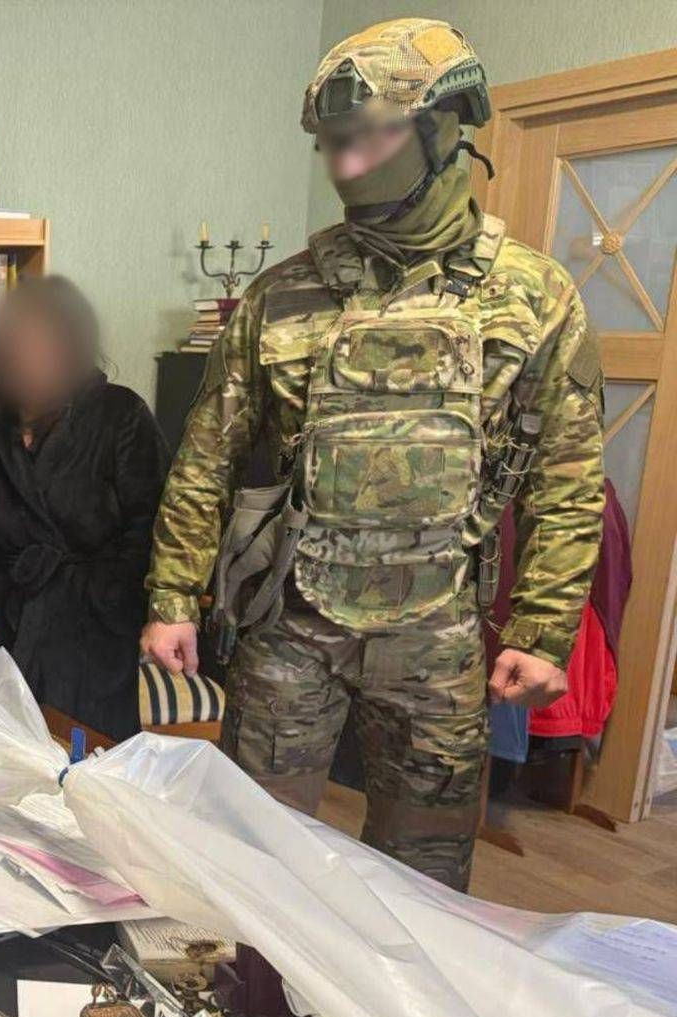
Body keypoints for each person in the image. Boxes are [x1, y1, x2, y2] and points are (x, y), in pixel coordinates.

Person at [141, 18, 605, 892]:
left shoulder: (535, 297)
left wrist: (544, 631)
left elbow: (568, 481)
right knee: (252, 857)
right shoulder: (281, 295)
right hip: (291, 624)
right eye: (331, 144)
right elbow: (205, 458)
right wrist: (172, 598)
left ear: (443, 127)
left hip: (438, 634)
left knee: (424, 879)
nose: (345, 164)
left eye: (368, 138)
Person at [0, 277, 167, 739]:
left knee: (88, 764)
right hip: (2, 625)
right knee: (2, 760)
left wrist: (112, 607)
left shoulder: (121, 416)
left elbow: (153, 528)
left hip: (91, 634)